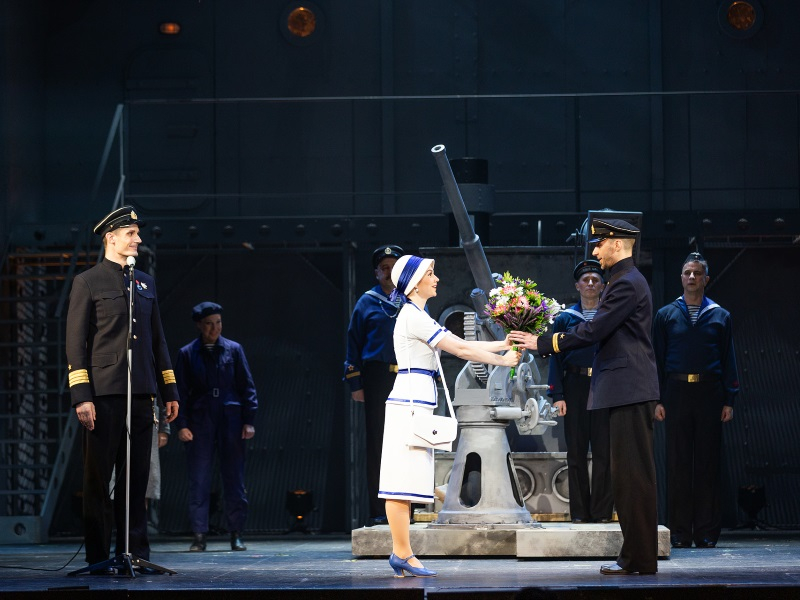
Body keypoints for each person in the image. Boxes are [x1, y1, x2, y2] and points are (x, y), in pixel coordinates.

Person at [509, 218, 660, 576]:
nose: (595, 250)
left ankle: (640, 559)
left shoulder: (626, 283)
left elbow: (594, 329)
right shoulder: (624, 281)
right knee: (627, 478)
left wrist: (544, 342)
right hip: (623, 390)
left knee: (633, 478)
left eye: (599, 243)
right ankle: (636, 557)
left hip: (628, 390)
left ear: (618, 244)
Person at [379, 255, 520, 578]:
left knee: (409, 480)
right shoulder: (413, 316)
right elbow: (462, 350)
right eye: (430, 274)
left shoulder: (419, 315)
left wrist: (503, 344)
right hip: (409, 401)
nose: (436, 278)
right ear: (414, 283)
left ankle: (403, 553)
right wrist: (503, 360)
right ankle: (402, 553)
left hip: (416, 399)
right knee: (400, 482)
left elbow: (458, 342)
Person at [65, 205, 179, 574]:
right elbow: (75, 344)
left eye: (137, 233)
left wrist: (169, 390)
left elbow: (158, 340)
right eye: (131, 233)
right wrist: (82, 396)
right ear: (110, 238)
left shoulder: (144, 283)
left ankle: (135, 551)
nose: (138, 239)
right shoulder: (88, 282)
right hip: (103, 395)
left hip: (142, 393)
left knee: (136, 480)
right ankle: (99, 557)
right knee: (98, 480)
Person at [652, 252, 739, 549]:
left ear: (706, 279)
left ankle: (705, 532)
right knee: (677, 463)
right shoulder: (665, 315)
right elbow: (656, 359)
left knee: (707, 463)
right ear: (681, 278)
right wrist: (657, 399)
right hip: (675, 392)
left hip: (709, 393)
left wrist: (729, 399)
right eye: (688, 272)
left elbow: (729, 359)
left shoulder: (720, 315)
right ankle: (679, 532)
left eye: (697, 273)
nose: (692, 277)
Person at [174, 302, 258, 552]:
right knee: (199, 479)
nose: (215, 328)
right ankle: (199, 535)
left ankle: (236, 533)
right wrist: (182, 424)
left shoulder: (233, 350)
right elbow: (180, 392)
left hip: (230, 418)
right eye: (209, 324)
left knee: (234, 478)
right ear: (199, 325)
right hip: (200, 420)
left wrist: (249, 420)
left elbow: (247, 386)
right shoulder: (187, 353)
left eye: (218, 322)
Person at [547, 259, 613, 524]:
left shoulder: (610, 316)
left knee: (604, 452)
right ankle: (579, 512)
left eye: (595, 280)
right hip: (574, 385)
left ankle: (602, 511)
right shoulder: (565, 319)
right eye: (585, 280)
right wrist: (558, 395)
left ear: (603, 286)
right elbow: (555, 357)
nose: (590, 283)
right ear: (577, 286)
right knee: (576, 452)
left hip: (604, 386)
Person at [344, 244, 404, 526]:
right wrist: (356, 383)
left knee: (408, 442)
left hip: (407, 375)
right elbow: (353, 344)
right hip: (378, 377)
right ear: (377, 272)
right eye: (385, 268)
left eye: (394, 267)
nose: (390, 273)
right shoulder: (367, 302)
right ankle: (380, 510)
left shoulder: (413, 300)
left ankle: (409, 507)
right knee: (380, 443)